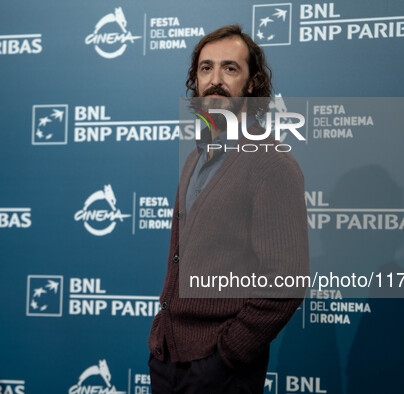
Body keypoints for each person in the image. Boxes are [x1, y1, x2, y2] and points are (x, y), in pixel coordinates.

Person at [148, 24, 309, 393]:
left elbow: (286, 280)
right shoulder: (194, 158)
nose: (215, 80)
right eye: (206, 69)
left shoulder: (271, 163)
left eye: (229, 68)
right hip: (168, 359)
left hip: (221, 371)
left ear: (252, 84)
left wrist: (227, 355)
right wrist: (162, 344)